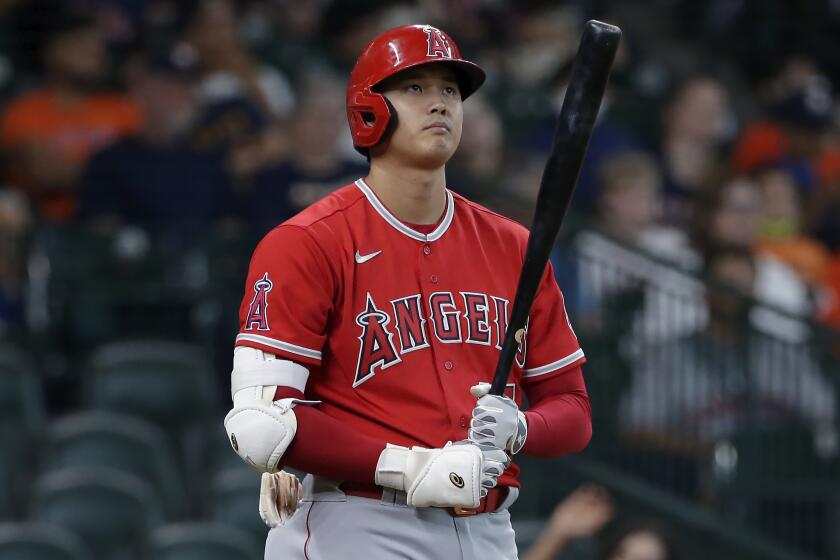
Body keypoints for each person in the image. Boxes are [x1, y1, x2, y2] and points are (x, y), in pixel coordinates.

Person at [223, 25, 591, 559]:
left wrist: (521, 429)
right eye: (415, 88)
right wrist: (411, 468)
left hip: (489, 528)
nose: (439, 103)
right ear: (368, 110)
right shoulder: (308, 242)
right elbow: (259, 425)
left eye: (450, 91)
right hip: (360, 519)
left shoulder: (513, 247)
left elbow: (573, 410)